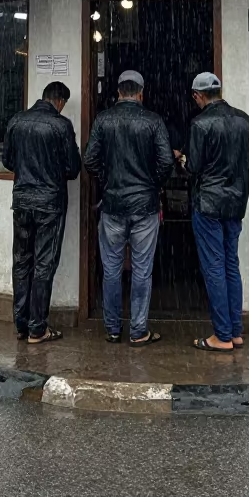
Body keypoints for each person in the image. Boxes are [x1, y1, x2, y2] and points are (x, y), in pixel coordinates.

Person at [84, 70, 174, 345]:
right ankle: (138, 330)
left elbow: (89, 160)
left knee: (110, 269)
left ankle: (112, 328)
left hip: (112, 204)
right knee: (141, 269)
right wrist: (152, 183)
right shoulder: (153, 121)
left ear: (118, 91)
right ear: (141, 93)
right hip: (145, 206)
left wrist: (107, 178)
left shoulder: (103, 119)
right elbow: (167, 162)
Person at [1, 81, 81, 344]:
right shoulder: (61, 125)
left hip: (22, 200)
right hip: (49, 203)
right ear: (59, 101)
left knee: (22, 262)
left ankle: (21, 324)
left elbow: (8, 161)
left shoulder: (17, 121)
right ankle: (38, 328)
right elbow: (72, 169)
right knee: (44, 263)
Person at [184, 72, 249, 352]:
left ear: (197, 96)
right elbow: (248, 160)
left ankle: (221, 336)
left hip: (209, 204)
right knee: (230, 265)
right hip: (235, 203)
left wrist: (183, 160)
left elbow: (194, 167)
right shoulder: (243, 120)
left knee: (213, 267)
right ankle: (235, 332)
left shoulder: (200, 124)